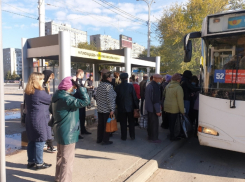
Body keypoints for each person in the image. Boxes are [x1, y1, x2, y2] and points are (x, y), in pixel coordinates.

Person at [50, 76, 90, 182]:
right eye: (73, 87)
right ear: (69, 87)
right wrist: (81, 88)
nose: (74, 89)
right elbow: (86, 101)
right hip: (68, 132)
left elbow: (51, 110)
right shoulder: (67, 99)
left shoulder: (56, 96)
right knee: (67, 159)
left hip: (60, 130)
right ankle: (65, 180)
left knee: (60, 156)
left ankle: (58, 178)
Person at [24, 72, 52, 170]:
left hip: (30, 119)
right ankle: (39, 163)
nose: (43, 81)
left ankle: (31, 162)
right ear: (36, 81)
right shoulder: (39, 92)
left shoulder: (28, 92)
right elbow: (50, 99)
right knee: (40, 141)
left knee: (32, 141)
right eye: (41, 79)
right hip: (39, 120)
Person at [115, 73, 139, 140]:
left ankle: (123, 137)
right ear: (127, 78)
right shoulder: (130, 86)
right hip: (130, 107)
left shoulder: (117, 87)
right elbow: (134, 97)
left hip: (121, 107)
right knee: (131, 122)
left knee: (123, 123)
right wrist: (136, 107)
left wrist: (117, 106)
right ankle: (132, 136)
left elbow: (116, 98)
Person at [96, 72, 116, 145]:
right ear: (108, 78)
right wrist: (112, 109)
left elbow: (96, 96)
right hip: (106, 109)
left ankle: (99, 139)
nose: (111, 78)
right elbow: (110, 99)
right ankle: (105, 140)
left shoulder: (100, 85)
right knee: (106, 125)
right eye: (111, 77)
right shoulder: (109, 86)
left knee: (100, 124)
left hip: (100, 108)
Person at [163, 73, 185, 141]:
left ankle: (171, 134)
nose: (181, 80)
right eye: (180, 79)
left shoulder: (168, 85)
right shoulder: (179, 88)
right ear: (178, 80)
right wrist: (182, 111)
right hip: (174, 109)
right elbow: (180, 101)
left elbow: (164, 94)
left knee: (170, 123)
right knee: (174, 123)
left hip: (167, 107)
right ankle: (172, 136)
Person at [42, 70, 57, 153]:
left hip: (46, 109)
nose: (50, 80)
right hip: (43, 110)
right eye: (49, 78)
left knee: (48, 127)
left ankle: (49, 144)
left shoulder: (46, 85)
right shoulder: (41, 85)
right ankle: (49, 144)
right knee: (46, 127)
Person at [145, 74, 162, 143]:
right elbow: (155, 100)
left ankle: (150, 136)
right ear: (156, 79)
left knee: (150, 123)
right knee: (154, 124)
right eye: (160, 79)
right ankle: (154, 138)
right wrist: (158, 110)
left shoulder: (149, 85)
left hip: (149, 108)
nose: (161, 80)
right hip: (153, 108)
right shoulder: (155, 87)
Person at [76, 69, 91, 138]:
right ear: (80, 74)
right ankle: (78, 133)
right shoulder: (76, 82)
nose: (83, 76)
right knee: (78, 118)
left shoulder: (80, 81)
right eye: (83, 74)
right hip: (79, 102)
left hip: (82, 102)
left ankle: (83, 130)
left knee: (82, 117)